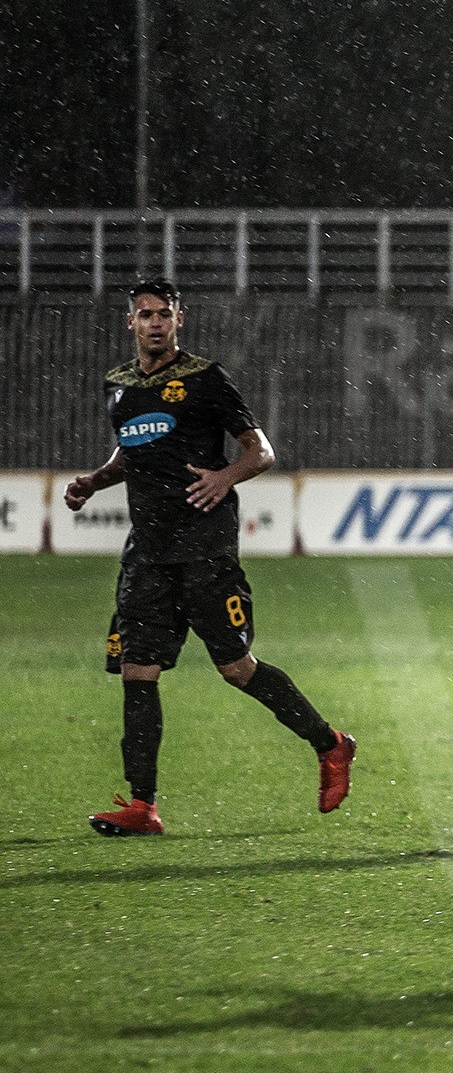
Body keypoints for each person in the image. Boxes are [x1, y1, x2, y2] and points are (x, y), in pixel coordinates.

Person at [63, 278, 354, 836]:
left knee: (237, 669)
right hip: (147, 553)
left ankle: (330, 744)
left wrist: (225, 477)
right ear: (130, 322)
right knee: (137, 671)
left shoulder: (205, 378)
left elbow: (260, 451)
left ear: (179, 319)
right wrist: (95, 481)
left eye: (163, 313)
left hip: (204, 549)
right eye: (145, 314)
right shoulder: (118, 385)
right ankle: (143, 806)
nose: (154, 322)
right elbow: (132, 448)